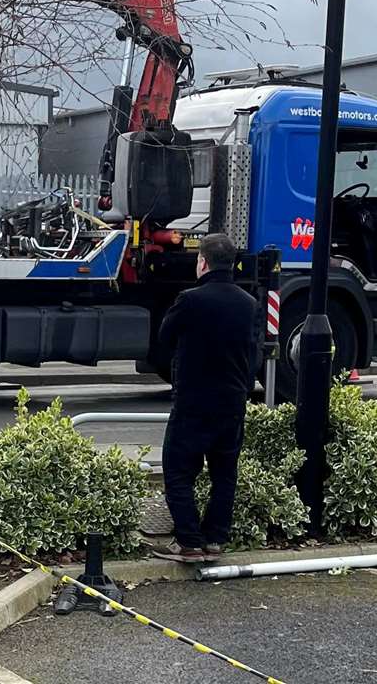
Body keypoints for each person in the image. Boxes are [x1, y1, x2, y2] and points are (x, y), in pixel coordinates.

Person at [152, 233, 259, 564]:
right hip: (233, 403)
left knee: (178, 470)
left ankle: (189, 542)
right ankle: (215, 539)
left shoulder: (190, 300)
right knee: (224, 473)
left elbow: (164, 338)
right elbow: (253, 354)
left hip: (194, 402)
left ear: (203, 263)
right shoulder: (249, 303)